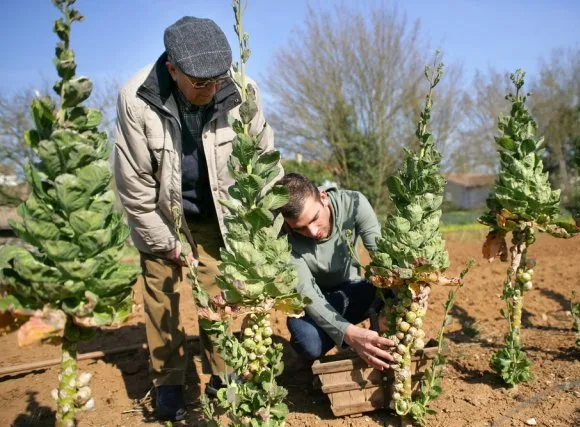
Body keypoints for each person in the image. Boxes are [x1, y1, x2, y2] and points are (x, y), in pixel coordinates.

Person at [114, 16, 280, 421]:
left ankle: (224, 376)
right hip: (160, 211)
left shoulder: (242, 91)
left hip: (215, 212)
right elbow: (134, 184)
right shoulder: (137, 98)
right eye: (201, 84)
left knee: (219, 297)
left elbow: (265, 165)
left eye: (218, 81)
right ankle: (168, 380)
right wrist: (164, 242)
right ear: (173, 69)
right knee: (162, 296)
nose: (212, 90)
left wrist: (259, 229)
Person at [277, 173, 395, 370]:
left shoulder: (354, 203)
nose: (313, 232)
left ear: (323, 197)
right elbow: (308, 293)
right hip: (317, 301)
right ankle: (351, 339)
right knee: (307, 341)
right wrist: (349, 333)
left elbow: (383, 259)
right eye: (301, 229)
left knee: (394, 288)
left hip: (356, 291)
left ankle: (382, 338)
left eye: (314, 218)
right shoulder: (283, 236)